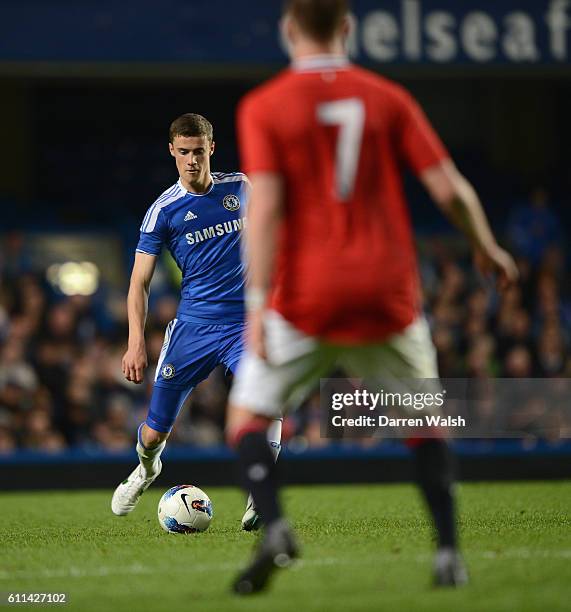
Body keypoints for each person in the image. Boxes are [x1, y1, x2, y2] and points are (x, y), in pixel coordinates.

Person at [226, 0, 519, 595]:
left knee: (247, 417)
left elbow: (267, 211)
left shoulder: (263, 106)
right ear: (349, 28)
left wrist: (256, 306)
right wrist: (485, 245)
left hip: (305, 295)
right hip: (387, 292)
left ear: (288, 30)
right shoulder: (388, 97)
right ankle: (447, 556)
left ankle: (276, 525)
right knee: (425, 424)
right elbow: (448, 187)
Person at [111, 113, 281, 529]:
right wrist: (135, 342)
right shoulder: (163, 212)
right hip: (193, 328)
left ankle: (261, 491)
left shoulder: (241, 187)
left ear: (212, 149)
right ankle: (147, 470)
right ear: (172, 152)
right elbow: (139, 283)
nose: (191, 160)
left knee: (266, 398)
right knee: (153, 433)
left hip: (243, 323)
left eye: (198, 152)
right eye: (183, 152)